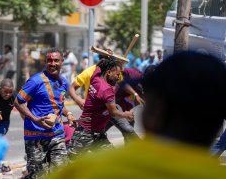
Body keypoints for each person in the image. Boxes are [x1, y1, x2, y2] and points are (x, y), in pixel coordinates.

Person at [48, 51, 226, 178]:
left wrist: (108, 59)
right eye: (117, 74)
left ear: (153, 114)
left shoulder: (88, 170)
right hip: (88, 130)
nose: (119, 78)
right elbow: (113, 111)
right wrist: (126, 113)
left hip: (95, 131)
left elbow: (111, 105)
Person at [14, 47, 75, 179]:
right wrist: (34, 119)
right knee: (38, 175)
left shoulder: (64, 82)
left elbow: (58, 104)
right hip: (36, 137)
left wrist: (68, 113)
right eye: (49, 60)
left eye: (56, 60)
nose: (52, 63)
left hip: (57, 134)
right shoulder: (35, 81)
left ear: (62, 61)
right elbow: (18, 102)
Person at [69, 51, 141, 144]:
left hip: (111, 107)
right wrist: (78, 100)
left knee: (128, 129)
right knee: (93, 134)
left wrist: (135, 94)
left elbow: (121, 83)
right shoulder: (91, 73)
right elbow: (71, 87)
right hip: (97, 112)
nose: (118, 76)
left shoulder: (112, 72)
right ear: (108, 71)